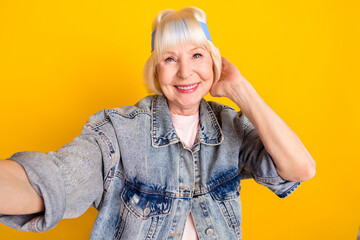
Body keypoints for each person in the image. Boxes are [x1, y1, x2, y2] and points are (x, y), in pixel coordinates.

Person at [0, 6, 315, 240]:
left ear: (214, 62)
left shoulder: (228, 128)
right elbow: (57, 180)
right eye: (169, 59)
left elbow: (300, 168)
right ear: (156, 70)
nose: (184, 72)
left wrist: (240, 89)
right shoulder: (119, 132)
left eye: (196, 56)